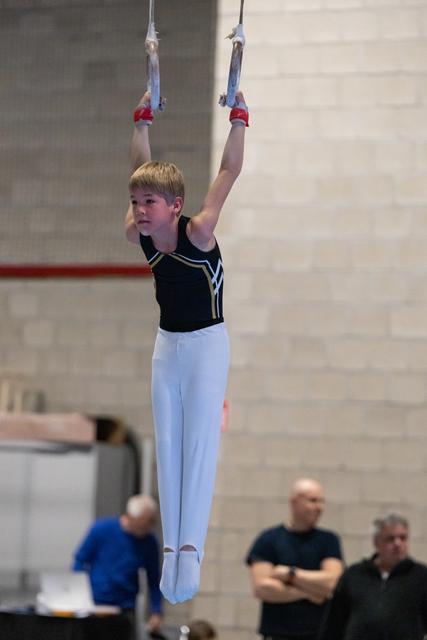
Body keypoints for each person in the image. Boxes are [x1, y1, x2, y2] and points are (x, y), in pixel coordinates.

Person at [125, 90, 247, 604]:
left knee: (197, 442)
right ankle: (171, 548)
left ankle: (191, 547)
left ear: (175, 205)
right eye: (134, 202)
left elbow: (228, 172)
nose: (137, 212)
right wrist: (140, 119)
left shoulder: (198, 232)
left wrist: (239, 118)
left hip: (206, 347)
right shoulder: (144, 234)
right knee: (168, 442)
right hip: (167, 345)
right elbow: (140, 167)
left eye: (148, 204)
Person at [246, 478, 343, 640]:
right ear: (294, 502)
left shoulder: (329, 540)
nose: (319, 507)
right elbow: (262, 587)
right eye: (313, 500)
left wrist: (290, 574)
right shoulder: (269, 539)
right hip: (277, 634)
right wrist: (310, 593)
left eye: (322, 501)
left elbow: (332, 583)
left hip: (319, 634)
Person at [318, 513, 427, 640]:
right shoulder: (354, 575)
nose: (398, 544)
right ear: (376, 542)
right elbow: (333, 625)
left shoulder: (421, 577)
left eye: (403, 538)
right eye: (390, 539)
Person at [72, 494, 163, 637]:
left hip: (124, 608)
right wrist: (78, 595)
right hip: (95, 605)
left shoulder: (149, 541)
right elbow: (80, 561)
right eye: (143, 524)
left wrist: (156, 611)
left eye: (150, 524)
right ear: (131, 517)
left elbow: (154, 580)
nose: (147, 529)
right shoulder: (101, 530)